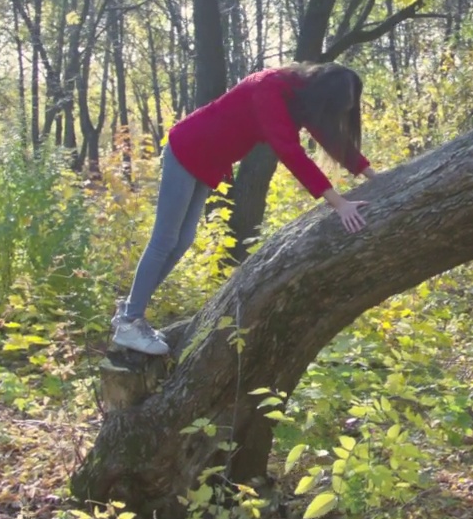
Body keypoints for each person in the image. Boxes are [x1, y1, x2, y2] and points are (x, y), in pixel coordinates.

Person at [110, 62, 379, 355]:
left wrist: (375, 176)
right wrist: (338, 204)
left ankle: (131, 309)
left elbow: (331, 138)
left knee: (181, 240)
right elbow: (291, 152)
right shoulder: (271, 89)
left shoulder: (299, 95)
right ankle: (129, 321)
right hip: (187, 148)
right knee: (164, 240)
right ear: (324, 94)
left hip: (207, 160)